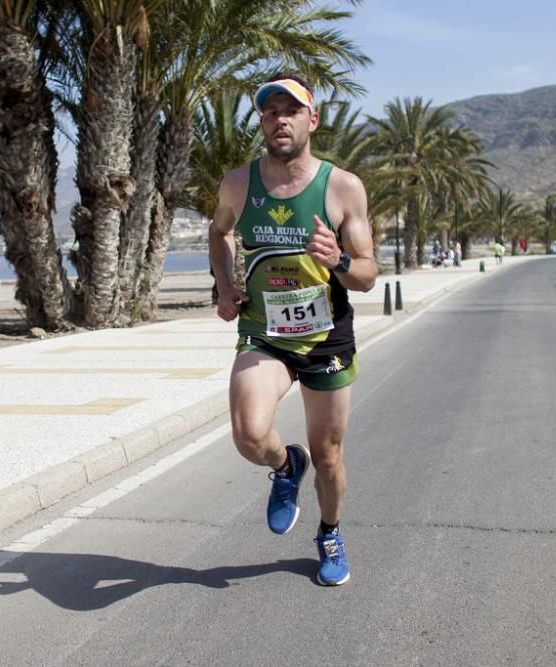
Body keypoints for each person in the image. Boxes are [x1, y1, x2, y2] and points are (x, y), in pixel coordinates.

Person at [208, 74, 377, 586]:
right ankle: (285, 466)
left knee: (329, 456)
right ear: (261, 122)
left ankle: (329, 532)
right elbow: (219, 232)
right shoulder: (239, 183)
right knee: (249, 433)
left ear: (312, 120)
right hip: (265, 331)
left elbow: (368, 275)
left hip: (326, 336)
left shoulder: (343, 187)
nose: (279, 119)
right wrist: (223, 284)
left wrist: (340, 258)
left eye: (291, 110)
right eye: (270, 112)